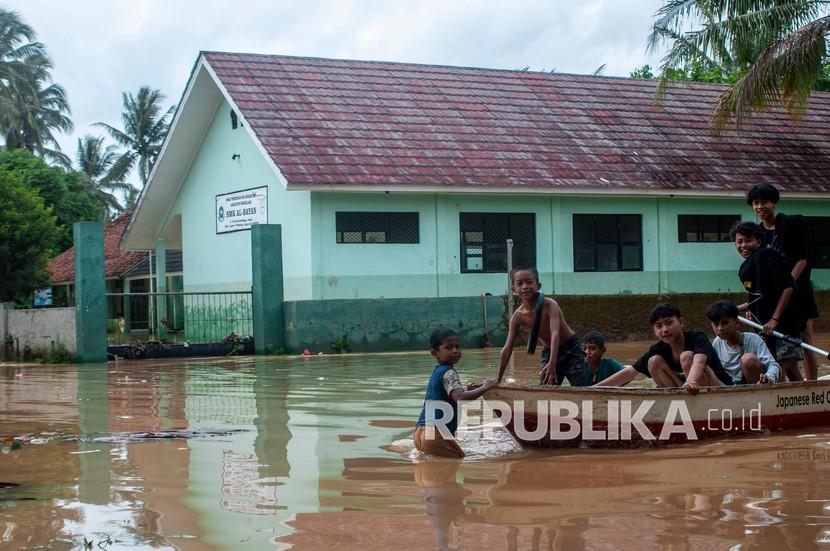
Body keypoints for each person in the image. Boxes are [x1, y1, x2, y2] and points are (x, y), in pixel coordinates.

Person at [746, 183, 820, 380]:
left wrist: (788, 285)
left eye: (765, 202)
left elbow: (802, 259)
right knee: (777, 341)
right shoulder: (758, 233)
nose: (760, 207)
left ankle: (811, 384)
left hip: (798, 291)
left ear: (775, 203)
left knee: (805, 338)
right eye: (755, 203)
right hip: (772, 297)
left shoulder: (793, 223)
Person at [730, 220, 806, 381]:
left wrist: (774, 319)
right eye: (739, 241)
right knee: (772, 366)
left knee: (788, 365)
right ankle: (778, 401)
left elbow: (787, 288)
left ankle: (802, 399)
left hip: (784, 323)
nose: (744, 245)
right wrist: (735, 309)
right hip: (762, 326)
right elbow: (757, 298)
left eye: (748, 240)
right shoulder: (744, 268)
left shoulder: (768, 256)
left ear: (758, 241)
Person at [496, 266, 589, 386]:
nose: (525, 286)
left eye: (529, 282)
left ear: (538, 285)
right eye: (520, 283)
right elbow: (507, 349)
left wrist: (552, 362)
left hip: (570, 348)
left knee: (580, 387)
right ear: (514, 289)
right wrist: (497, 380)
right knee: (545, 390)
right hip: (549, 350)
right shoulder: (517, 316)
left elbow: (555, 334)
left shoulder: (550, 305)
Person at [413, 328, 496, 458]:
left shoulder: (437, 371)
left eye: (457, 347)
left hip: (420, 433)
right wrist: (485, 387)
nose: (455, 351)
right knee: (458, 462)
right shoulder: (449, 372)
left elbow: (451, 395)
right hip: (435, 435)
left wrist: (474, 390)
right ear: (435, 353)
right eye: (449, 347)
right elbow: (460, 397)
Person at [633, 303, 733, 392]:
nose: (665, 330)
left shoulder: (697, 337)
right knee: (653, 362)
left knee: (686, 356)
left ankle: (703, 399)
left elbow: (699, 362)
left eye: (669, 323)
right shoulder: (658, 349)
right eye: (659, 326)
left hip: (719, 388)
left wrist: (690, 381)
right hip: (689, 389)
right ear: (654, 331)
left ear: (681, 322)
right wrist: (616, 390)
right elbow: (630, 372)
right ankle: (678, 398)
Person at [706, 300, 781, 384]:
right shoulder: (716, 343)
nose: (720, 328)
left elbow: (773, 365)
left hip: (756, 386)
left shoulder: (753, 339)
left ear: (737, 323)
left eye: (725, 323)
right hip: (731, 389)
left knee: (748, 359)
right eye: (716, 325)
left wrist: (769, 376)